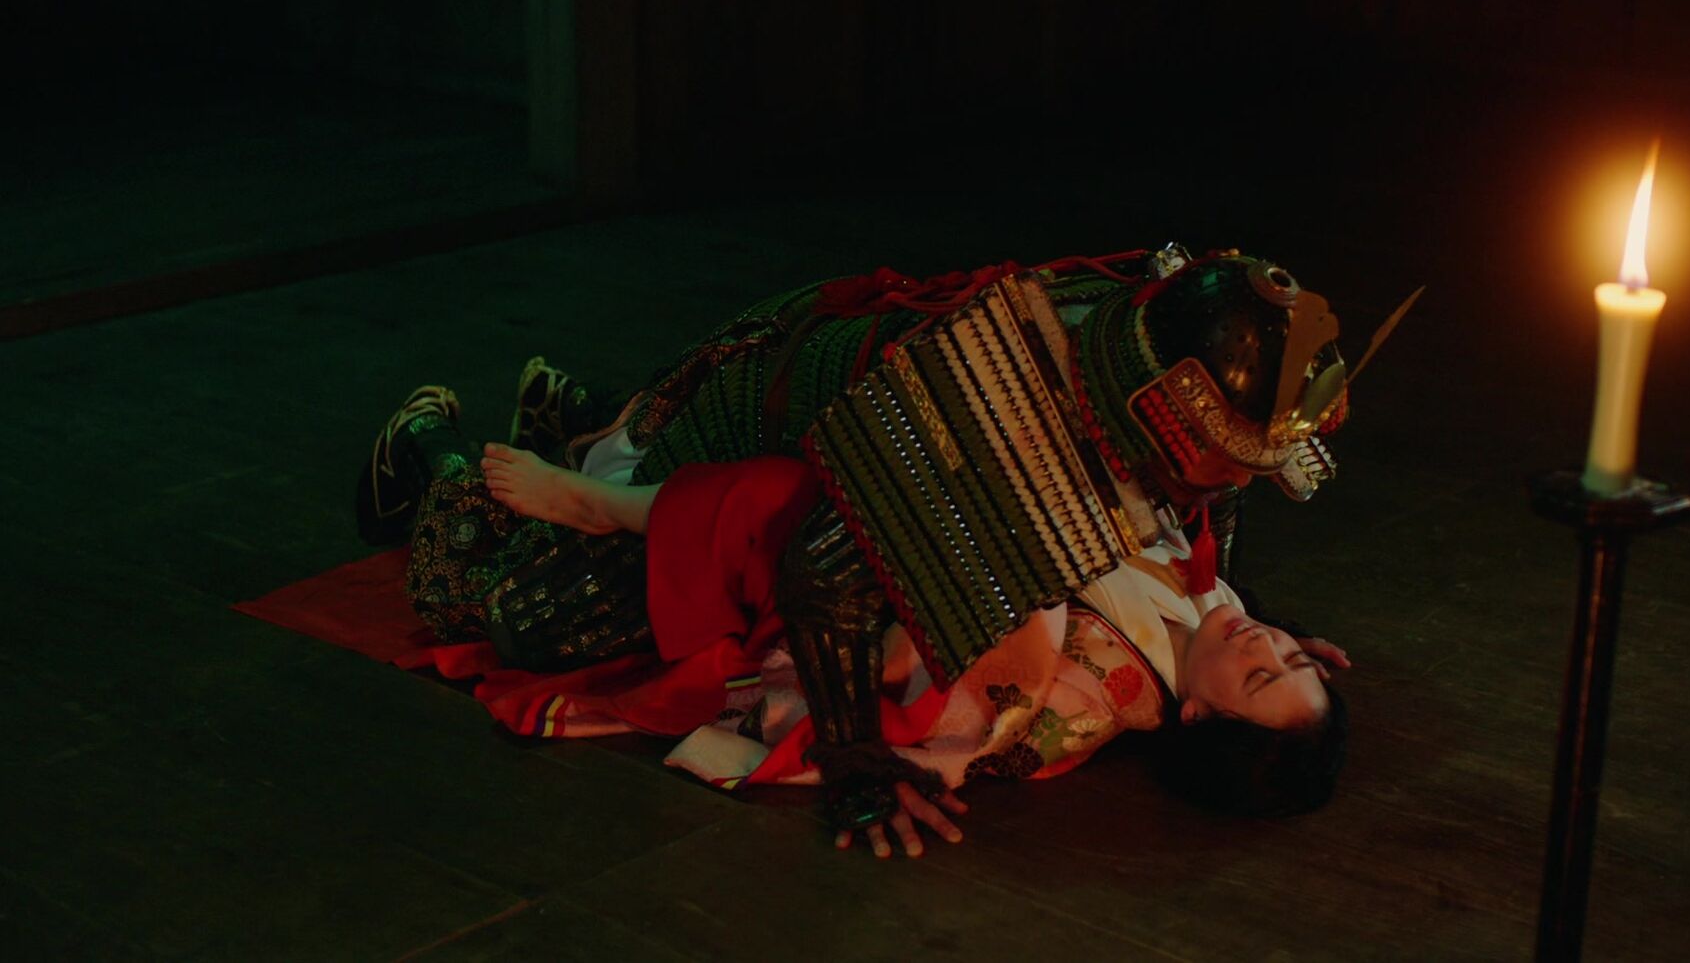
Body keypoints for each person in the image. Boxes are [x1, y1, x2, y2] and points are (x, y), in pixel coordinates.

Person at [357, 244, 1398, 856]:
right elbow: (822, 570)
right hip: (778, 421)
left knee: (570, 579)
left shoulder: (1135, 348)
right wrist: (856, 760)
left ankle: (545, 431)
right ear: (1168, 416)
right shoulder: (1043, 428)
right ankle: (460, 452)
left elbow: (1185, 552)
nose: (1268, 645)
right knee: (524, 613)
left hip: (804, 416)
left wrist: (1254, 629)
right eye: (1286, 658)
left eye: (1262, 673)